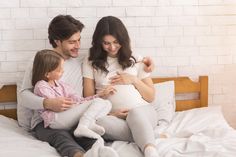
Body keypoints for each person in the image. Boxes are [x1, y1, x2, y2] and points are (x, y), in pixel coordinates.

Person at [18, 15, 155, 157]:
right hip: (48, 121)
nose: (78, 46)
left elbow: (85, 101)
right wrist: (47, 103)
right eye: (72, 42)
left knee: (90, 136)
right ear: (57, 41)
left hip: (76, 118)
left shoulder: (78, 63)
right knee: (64, 137)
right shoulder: (41, 61)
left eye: (79, 40)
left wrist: (143, 66)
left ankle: (103, 151)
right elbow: (24, 96)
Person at [83, 16, 160, 157]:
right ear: (99, 42)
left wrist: (133, 80)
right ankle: (147, 135)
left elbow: (150, 97)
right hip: (112, 117)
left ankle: (150, 151)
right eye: (106, 43)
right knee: (95, 123)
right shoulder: (90, 60)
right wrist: (107, 108)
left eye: (116, 42)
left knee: (134, 114)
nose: (112, 47)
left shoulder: (135, 58)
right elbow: (87, 99)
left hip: (142, 110)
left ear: (123, 40)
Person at [32, 49, 112, 139]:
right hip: (55, 119)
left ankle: (89, 123)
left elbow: (79, 100)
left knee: (107, 104)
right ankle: (83, 126)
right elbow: (57, 107)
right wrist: (77, 105)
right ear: (47, 74)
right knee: (97, 102)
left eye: (63, 68)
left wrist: (99, 95)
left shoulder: (62, 85)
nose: (63, 71)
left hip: (66, 116)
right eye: (59, 70)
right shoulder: (41, 86)